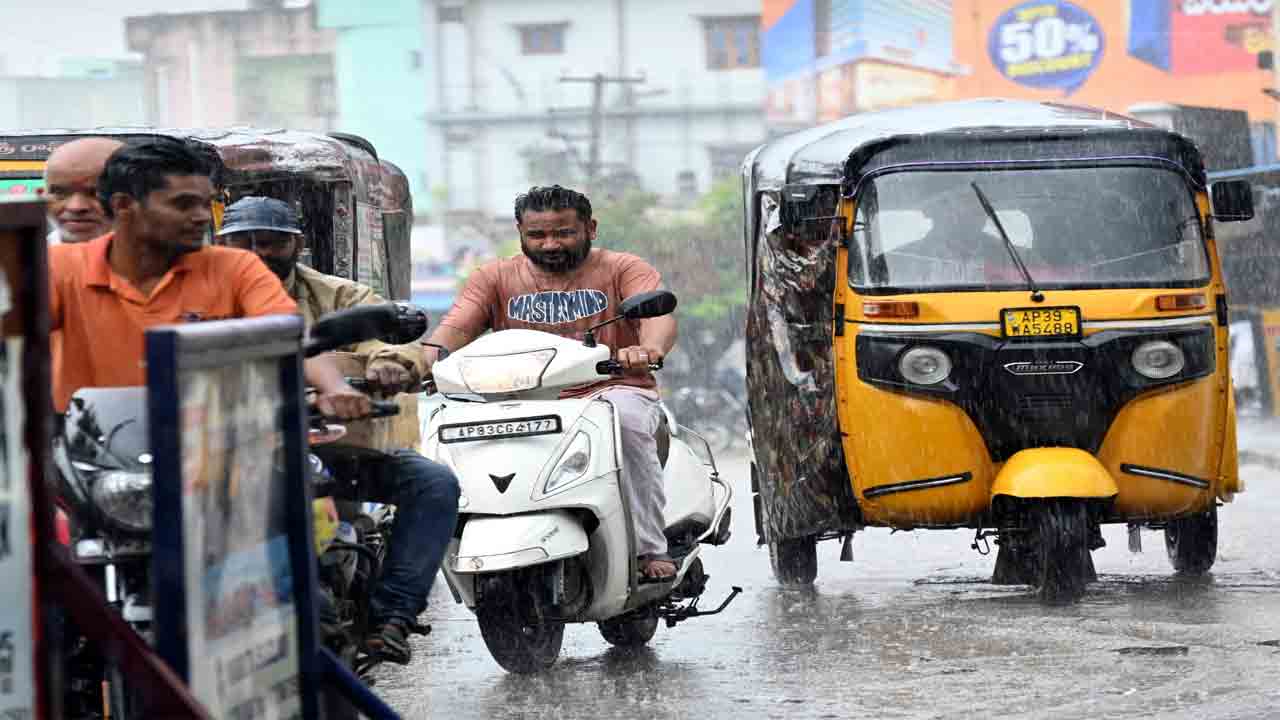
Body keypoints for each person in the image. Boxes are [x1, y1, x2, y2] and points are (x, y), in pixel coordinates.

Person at [218, 195, 460, 664]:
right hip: (238, 452)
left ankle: (393, 617)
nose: (257, 255)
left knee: (434, 484)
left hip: (334, 448)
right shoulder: (201, 294)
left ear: (296, 245)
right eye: (243, 244)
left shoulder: (334, 296)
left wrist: (389, 365)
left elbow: (386, 339)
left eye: (269, 242)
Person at [423, 184, 680, 581]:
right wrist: (422, 363)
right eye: (537, 235)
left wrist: (647, 349)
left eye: (563, 233)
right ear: (520, 232)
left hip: (610, 391)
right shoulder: (493, 277)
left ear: (590, 228)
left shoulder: (623, 268)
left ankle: (649, 548)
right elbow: (454, 328)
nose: (550, 244)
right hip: (522, 398)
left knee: (626, 426)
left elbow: (658, 317)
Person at [48, 137, 370, 421]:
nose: (202, 216)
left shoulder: (236, 268)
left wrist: (336, 388)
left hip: (212, 452)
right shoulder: (58, 267)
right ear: (123, 206)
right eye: (184, 204)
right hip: (92, 460)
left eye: (206, 203)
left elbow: (289, 337)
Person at [43, 137, 125, 244]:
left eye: (96, 193)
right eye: (60, 193)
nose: (76, 207)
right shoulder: (24, 258)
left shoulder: (151, 258)